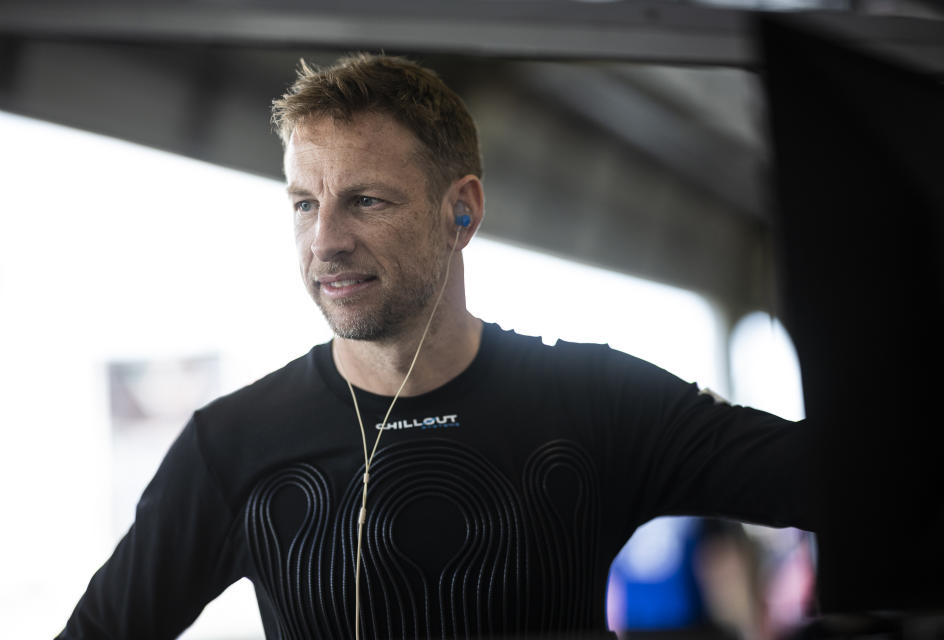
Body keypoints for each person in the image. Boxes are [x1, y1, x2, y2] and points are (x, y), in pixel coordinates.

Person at [57, 53, 815, 639]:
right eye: (303, 204)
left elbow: (845, 484)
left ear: (462, 211)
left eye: (365, 201)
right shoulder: (232, 445)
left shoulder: (593, 400)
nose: (325, 241)